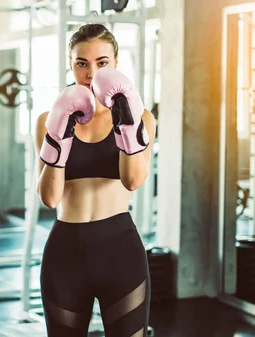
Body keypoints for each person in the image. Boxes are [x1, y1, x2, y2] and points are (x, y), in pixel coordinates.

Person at [34, 23, 157, 337]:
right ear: (70, 64)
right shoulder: (48, 120)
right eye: (81, 63)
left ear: (115, 64)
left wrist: (127, 127)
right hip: (65, 255)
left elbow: (133, 181)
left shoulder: (141, 117)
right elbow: (49, 198)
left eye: (102, 63)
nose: (91, 74)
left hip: (120, 250)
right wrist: (58, 138)